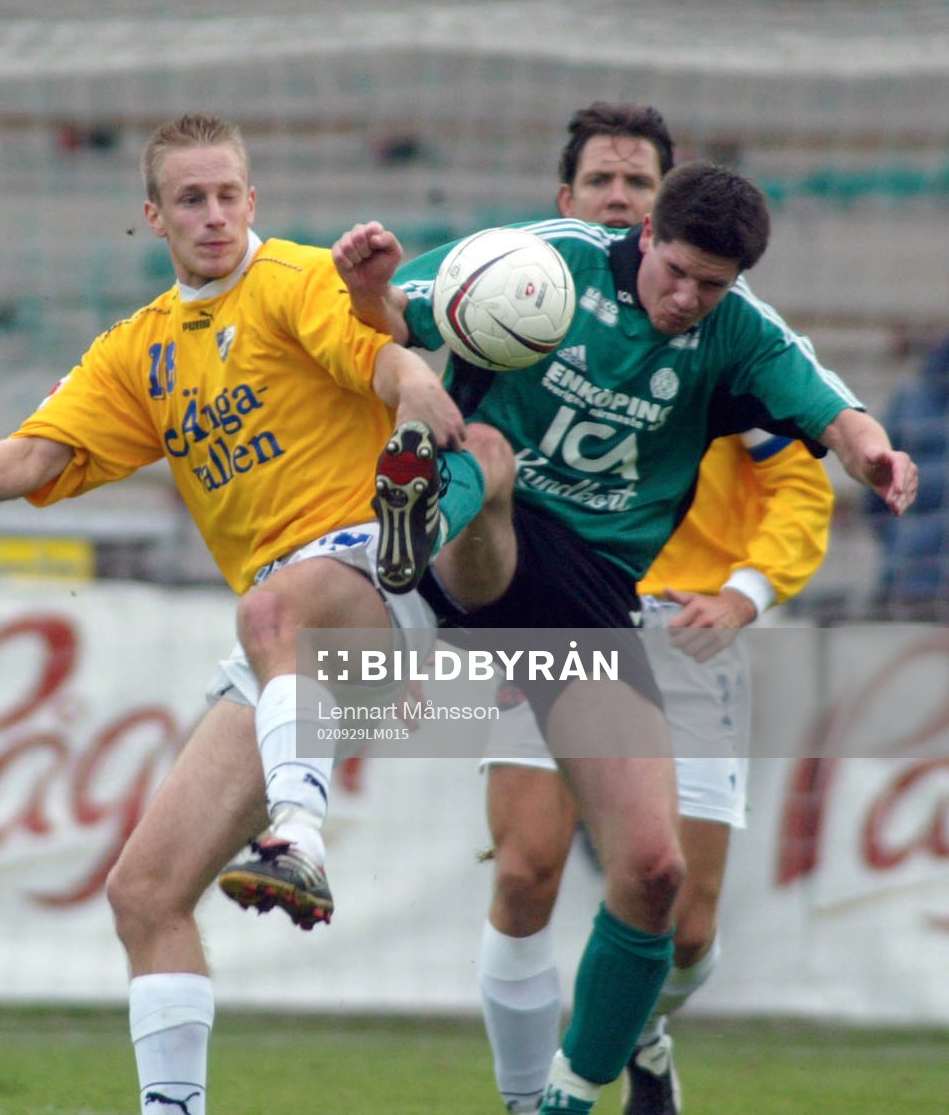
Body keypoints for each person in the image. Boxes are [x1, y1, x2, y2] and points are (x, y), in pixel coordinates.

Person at [0, 113, 465, 1115]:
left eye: (227, 194)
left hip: (374, 576)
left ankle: (298, 833)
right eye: (189, 199)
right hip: (287, 639)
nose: (212, 215)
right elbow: (38, 455)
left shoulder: (291, 279)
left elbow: (379, 355)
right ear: (152, 215)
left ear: (253, 200)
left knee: (273, 604)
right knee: (144, 892)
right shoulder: (139, 349)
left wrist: (415, 384)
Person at [332, 158, 917, 1115]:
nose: (686, 298)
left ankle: (569, 1094)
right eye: (674, 271)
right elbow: (401, 317)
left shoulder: (742, 336)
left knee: (657, 881)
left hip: (595, 607)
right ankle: (413, 533)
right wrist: (369, 289)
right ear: (645, 234)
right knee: (483, 454)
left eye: (711, 285)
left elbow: (835, 415)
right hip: (494, 542)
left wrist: (876, 456)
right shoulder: (542, 268)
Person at [470, 103, 835, 1115]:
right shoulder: (524, 315)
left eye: (638, 181)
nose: (619, 196)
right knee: (525, 868)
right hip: (550, 616)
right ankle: (530, 1096)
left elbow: (798, 483)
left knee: (679, 922)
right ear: (574, 208)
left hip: (679, 629)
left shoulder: (725, 340)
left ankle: (639, 1025)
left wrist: (744, 589)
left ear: (667, 207)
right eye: (601, 184)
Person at [865, 332, 949, 618]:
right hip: (912, 580)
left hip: (909, 573)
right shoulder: (910, 401)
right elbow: (876, 490)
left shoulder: (910, 401)